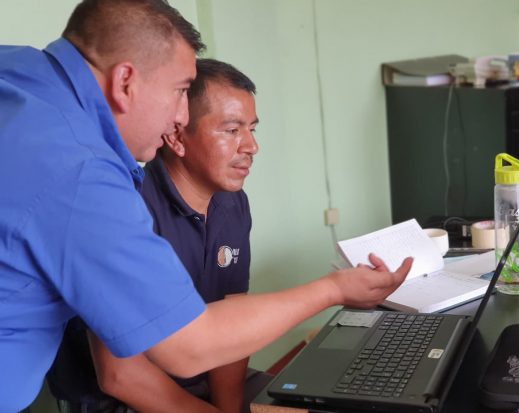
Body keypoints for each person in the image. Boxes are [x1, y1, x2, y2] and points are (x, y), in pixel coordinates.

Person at [0, 1, 413, 411]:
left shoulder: (19, 72)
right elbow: (185, 349)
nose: (180, 115)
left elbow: (230, 317)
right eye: (180, 91)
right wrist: (333, 289)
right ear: (126, 81)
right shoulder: (86, 176)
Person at [47, 58, 270, 413]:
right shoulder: (124, 209)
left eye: (252, 130)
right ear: (177, 136)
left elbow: (232, 323)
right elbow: (120, 376)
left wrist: (229, 409)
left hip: (201, 384)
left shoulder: (233, 204)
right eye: (231, 130)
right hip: (122, 399)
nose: (250, 147)